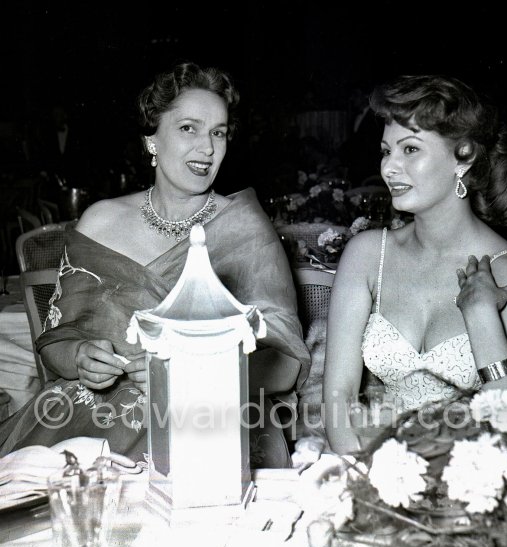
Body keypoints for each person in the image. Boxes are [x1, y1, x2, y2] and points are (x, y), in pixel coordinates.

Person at [0, 61, 310, 468]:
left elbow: (284, 364)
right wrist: (78, 356)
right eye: (188, 128)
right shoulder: (100, 221)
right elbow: (54, 342)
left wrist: (194, 375)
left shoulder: (245, 229)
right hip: (86, 419)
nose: (207, 148)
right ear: (152, 140)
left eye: (218, 132)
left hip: (199, 423)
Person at [323, 74, 507, 455]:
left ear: (464, 155)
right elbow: (339, 397)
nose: (389, 168)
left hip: (476, 486)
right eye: (386, 150)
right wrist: (367, 479)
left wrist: (482, 321)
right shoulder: (365, 255)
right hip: (376, 470)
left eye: (410, 150)